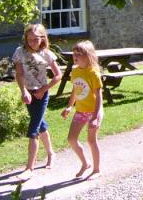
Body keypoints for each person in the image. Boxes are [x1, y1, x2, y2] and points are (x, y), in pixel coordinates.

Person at [12, 23, 62, 182]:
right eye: (30, 39)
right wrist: (24, 91)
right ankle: (51, 153)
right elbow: (19, 74)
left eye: (36, 39)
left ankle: (29, 168)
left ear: (42, 39)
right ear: (26, 38)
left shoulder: (47, 53)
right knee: (41, 126)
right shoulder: (19, 52)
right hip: (29, 93)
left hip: (41, 95)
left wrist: (43, 89)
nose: (33, 42)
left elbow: (58, 75)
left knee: (33, 128)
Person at [61, 40, 103, 180]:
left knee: (92, 140)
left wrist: (95, 116)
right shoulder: (75, 71)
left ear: (89, 56)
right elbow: (75, 89)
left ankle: (96, 170)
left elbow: (99, 96)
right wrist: (69, 106)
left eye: (79, 54)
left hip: (94, 111)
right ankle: (85, 164)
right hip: (80, 111)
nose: (75, 56)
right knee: (72, 139)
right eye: (74, 54)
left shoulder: (93, 73)